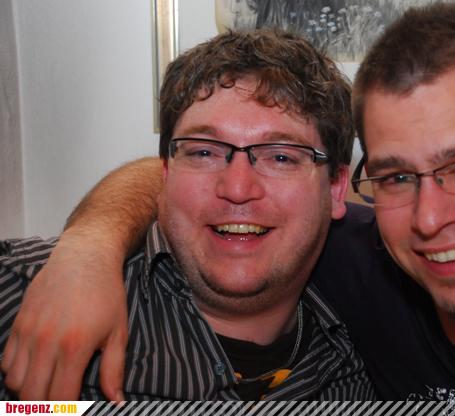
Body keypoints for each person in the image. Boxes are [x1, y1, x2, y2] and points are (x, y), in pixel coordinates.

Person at [4, 3, 455, 400]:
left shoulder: (348, 331)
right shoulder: (27, 298)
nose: (431, 218)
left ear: (335, 189)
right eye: (396, 177)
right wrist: (86, 251)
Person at [0, 28, 376, 400]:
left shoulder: (358, 363)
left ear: (335, 187)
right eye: (203, 152)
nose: (237, 188)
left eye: (280, 157)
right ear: (165, 172)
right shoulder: (23, 296)